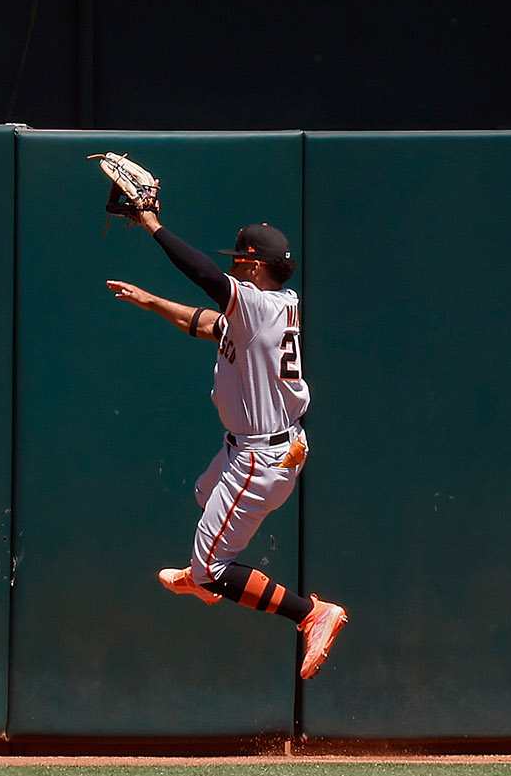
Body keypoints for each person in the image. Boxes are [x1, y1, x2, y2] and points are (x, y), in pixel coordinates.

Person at [106, 208, 348, 680]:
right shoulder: (269, 309)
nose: (232, 266)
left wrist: (154, 225)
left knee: (212, 568)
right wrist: (150, 300)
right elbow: (205, 323)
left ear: (255, 267)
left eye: (239, 260)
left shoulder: (257, 306)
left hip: (261, 456)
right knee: (204, 494)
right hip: (258, 446)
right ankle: (203, 576)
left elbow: (202, 274)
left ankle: (310, 614)